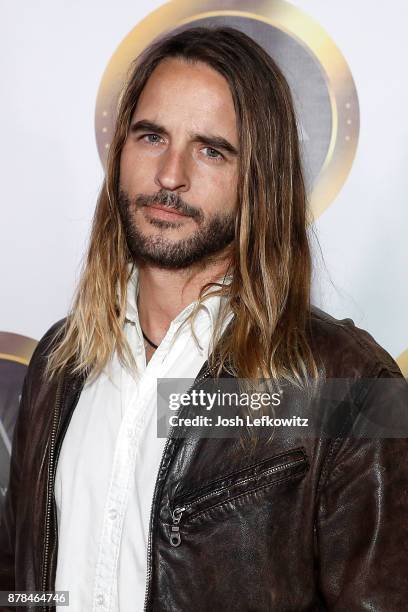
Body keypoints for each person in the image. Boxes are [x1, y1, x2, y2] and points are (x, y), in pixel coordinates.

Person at [1, 26, 407, 612]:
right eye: (151, 136)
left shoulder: (350, 387)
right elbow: (23, 579)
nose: (170, 176)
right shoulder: (61, 360)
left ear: (259, 181)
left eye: (211, 149)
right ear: (120, 152)